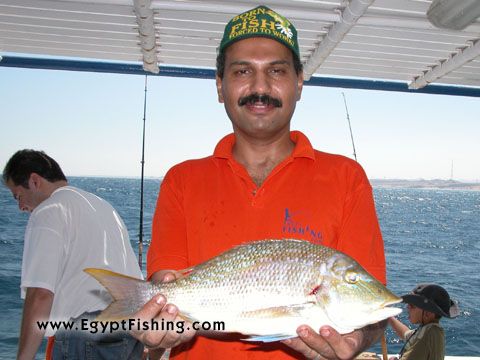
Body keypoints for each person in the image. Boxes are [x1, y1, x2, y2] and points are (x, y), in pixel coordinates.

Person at [137, 5, 388, 360]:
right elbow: (168, 290)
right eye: (242, 71)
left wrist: (355, 342)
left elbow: (371, 307)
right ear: (220, 86)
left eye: (277, 71)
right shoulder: (181, 180)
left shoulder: (347, 179)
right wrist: (159, 328)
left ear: (299, 83)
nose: (260, 87)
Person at [3, 149, 144, 360]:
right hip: (131, 330)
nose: (21, 207)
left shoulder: (49, 210)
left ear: (34, 181)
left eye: (18, 196)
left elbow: (40, 294)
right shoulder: (104, 207)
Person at [388, 284, 459, 360]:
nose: (407, 307)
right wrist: (388, 315)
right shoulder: (429, 329)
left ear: (428, 313)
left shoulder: (429, 334)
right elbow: (405, 334)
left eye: (412, 305)